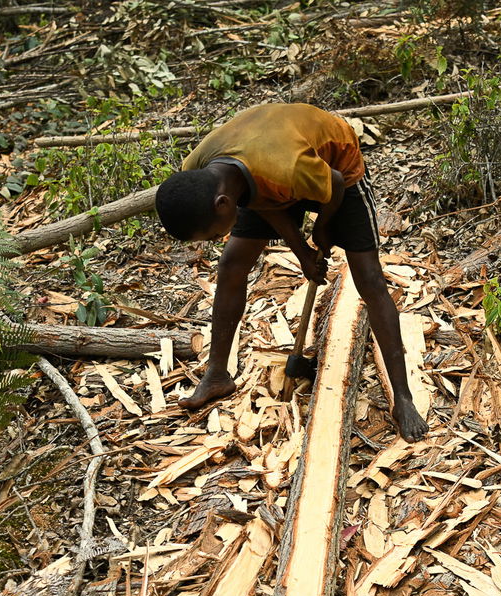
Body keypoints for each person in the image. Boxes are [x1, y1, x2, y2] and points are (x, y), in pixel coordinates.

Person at [154, 102, 428, 441]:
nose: (218, 238)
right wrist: (302, 252)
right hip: (262, 171)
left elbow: (336, 185)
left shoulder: (288, 167)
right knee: (231, 263)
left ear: (222, 205)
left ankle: (403, 396)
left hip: (334, 167)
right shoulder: (197, 170)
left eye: (214, 233)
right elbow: (263, 202)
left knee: (369, 279)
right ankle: (216, 374)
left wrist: (323, 229)